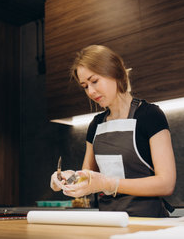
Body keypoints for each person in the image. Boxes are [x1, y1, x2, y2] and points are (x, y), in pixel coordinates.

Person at [50, 45, 176, 217]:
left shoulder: (150, 115)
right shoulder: (96, 124)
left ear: (115, 72)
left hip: (150, 223)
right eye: (85, 86)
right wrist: (68, 179)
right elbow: (86, 179)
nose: (91, 92)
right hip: (109, 223)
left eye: (94, 81)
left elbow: (166, 183)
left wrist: (109, 184)